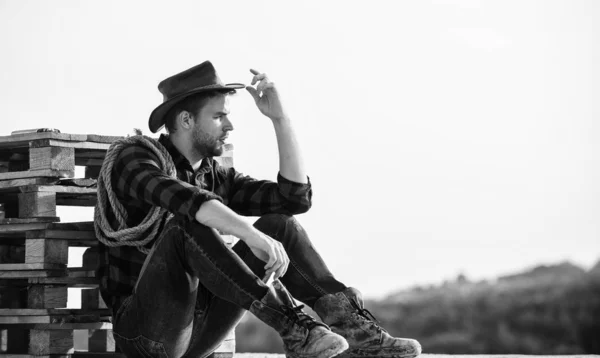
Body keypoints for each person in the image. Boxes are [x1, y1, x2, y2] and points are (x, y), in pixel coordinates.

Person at [94, 61, 422, 358]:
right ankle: (295, 328)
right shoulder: (136, 160)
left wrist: (280, 118)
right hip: (146, 335)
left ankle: (360, 336)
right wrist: (251, 236)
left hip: (201, 332)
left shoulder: (213, 176)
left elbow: (293, 199)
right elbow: (188, 201)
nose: (230, 125)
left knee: (280, 224)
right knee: (185, 226)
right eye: (219, 116)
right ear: (186, 120)